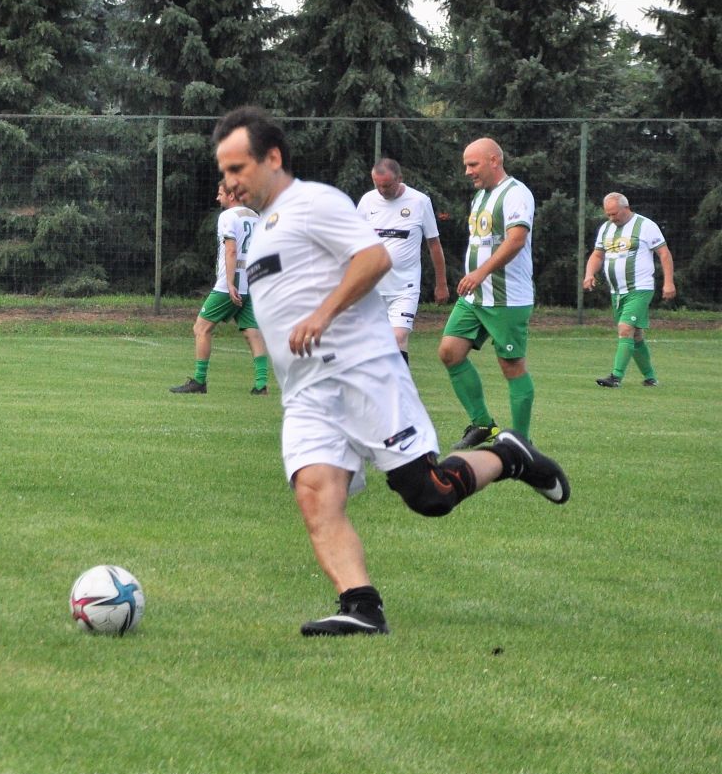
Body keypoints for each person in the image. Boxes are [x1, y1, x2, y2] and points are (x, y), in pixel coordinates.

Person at [211, 106, 568, 637]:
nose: (230, 181)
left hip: (361, 371)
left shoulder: (313, 202)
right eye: (224, 172)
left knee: (430, 495)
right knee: (315, 493)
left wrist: (324, 313)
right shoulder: (263, 230)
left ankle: (508, 455)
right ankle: (361, 606)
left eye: (238, 168)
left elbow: (373, 260)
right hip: (309, 393)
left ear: (273, 158)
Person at [438, 137, 538, 447]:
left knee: (511, 366)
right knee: (449, 353)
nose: (467, 171)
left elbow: (516, 240)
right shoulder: (481, 197)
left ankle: (520, 441)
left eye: (473, 164)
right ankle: (483, 425)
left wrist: (480, 272)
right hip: (475, 297)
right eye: (465, 165)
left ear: (494, 160)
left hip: (507, 297)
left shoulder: (516, 194)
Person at [170, 184, 271, 395]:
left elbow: (231, 250)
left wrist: (231, 283)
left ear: (232, 195)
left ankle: (199, 381)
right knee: (252, 332)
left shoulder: (227, 217)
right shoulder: (255, 216)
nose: (217, 198)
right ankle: (261, 385)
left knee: (201, 328)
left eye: (220, 193)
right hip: (251, 283)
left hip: (229, 286)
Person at [354, 157, 449, 362]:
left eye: (387, 186)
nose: (382, 191)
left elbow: (434, 244)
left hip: (405, 287)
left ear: (400, 178)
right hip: (372, 287)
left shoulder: (420, 201)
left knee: (397, 338)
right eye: (378, 186)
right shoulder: (367, 201)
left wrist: (441, 284)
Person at [583, 192, 676, 387]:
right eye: (608, 214)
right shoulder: (606, 228)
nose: (611, 218)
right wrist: (589, 274)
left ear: (626, 208)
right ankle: (650, 378)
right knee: (635, 335)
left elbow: (664, 254)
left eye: (614, 213)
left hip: (640, 288)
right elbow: (597, 255)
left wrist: (669, 282)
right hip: (617, 292)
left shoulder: (646, 226)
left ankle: (615, 377)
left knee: (625, 329)